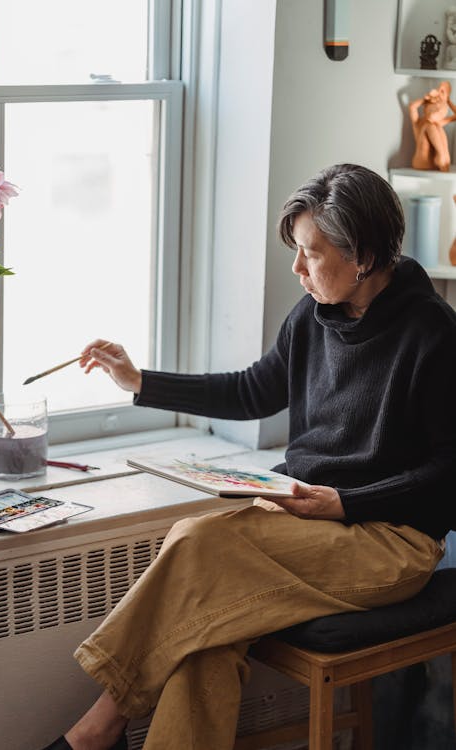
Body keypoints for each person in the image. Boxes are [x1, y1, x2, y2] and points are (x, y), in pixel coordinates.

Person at [41, 164, 456, 750]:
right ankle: (100, 733)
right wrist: (140, 381)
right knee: (204, 643)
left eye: (310, 253)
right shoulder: (313, 315)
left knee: (196, 538)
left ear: (360, 254)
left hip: (390, 542)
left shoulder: (433, 333)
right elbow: (251, 391)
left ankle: (97, 728)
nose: (297, 269)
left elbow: (449, 474)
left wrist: (347, 501)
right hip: (303, 524)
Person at [409, 80, 456, 172]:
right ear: (426, 108)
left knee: (437, 126)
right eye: (433, 107)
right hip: (421, 164)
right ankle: (442, 156)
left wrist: (447, 100)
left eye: (439, 111)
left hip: (435, 166)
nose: (436, 112)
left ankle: (443, 158)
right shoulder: (418, 123)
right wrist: (426, 99)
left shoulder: (438, 124)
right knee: (429, 124)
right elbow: (412, 107)